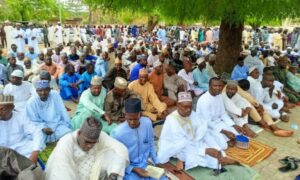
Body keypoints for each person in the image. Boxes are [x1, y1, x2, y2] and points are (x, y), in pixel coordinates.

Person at [157, 92, 238, 171]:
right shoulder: (172, 120)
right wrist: (205, 151)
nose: (188, 110)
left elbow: (203, 131)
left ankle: (221, 158)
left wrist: (214, 149)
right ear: (178, 105)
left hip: (193, 142)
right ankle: (181, 159)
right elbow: (180, 144)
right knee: (200, 158)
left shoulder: (193, 114)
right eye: (185, 107)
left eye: (190, 107)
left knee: (213, 137)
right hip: (177, 147)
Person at [45, 117, 129, 180]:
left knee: (113, 153)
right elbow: (64, 172)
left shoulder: (100, 136)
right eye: (87, 142)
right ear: (79, 134)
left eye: (93, 142)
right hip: (69, 175)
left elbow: (121, 149)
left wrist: (114, 172)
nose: (90, 146)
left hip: (91, 173)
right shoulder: (66, 142)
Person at [112, 98, 162, 180]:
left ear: (140, 115)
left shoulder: (147, 123)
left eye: (135, 119)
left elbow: (151, 142)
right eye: (129, 119)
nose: (132, 122)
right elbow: (114, 158)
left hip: (145, 165)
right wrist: (133, 169)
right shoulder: (117, 133)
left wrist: (156, 161)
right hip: (128, 169)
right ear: (125, 116)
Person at [0, 94, 44, 163]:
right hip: (2, 151)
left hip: (21, 148)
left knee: (35, 149)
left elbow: (36, 132)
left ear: (12, 107)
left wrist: (35, 153)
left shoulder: (21, 116)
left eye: (3, 109)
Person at [196, 77, 239, 146]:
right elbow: (207, 122)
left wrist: (233, 125)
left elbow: (223, 113)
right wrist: (225, 132)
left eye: (220, 86)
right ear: (209, 86)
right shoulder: (204, 100)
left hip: (218, 123)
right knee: (223, 144)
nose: (218, 88)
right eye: (215, 86)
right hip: (206, 126)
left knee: (236, 134)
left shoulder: (219, 96)